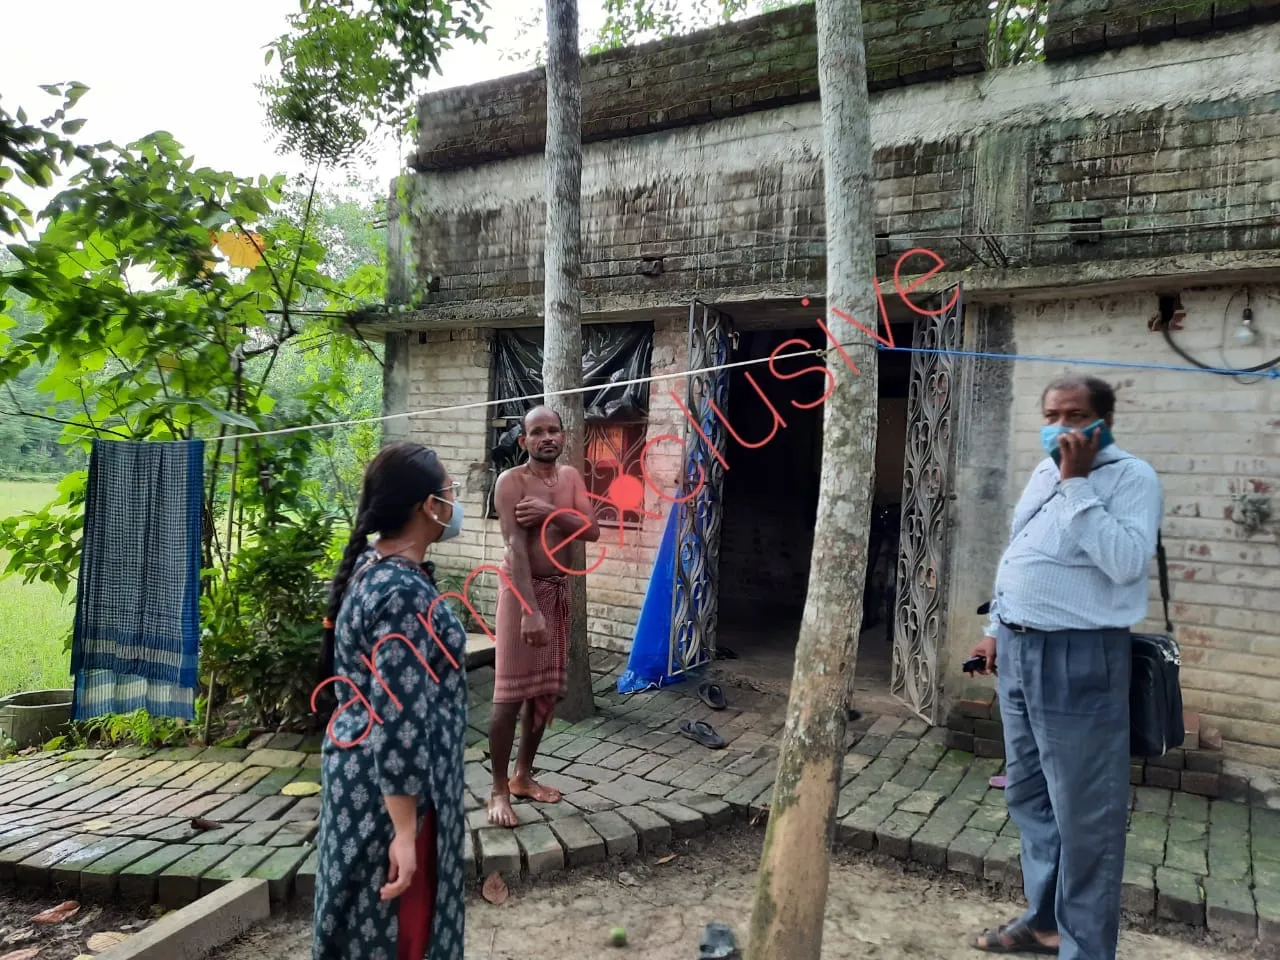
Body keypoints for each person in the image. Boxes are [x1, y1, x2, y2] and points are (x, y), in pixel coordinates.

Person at [968, 375, 1162, 960]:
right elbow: (1019, 552)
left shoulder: (1132, 477)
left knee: (1086, 815)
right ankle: (1047, 923)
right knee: (1029, 795)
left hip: (1080, 656)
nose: (1061, 427)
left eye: (1075, 416)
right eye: (1052, 415)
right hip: (1018, 650)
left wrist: (1077, 484)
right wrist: (995, 630)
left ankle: (1087, 948)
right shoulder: (1041, 471)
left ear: (1104, 421)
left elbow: (1126, 562)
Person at [313, 443, 469, 960]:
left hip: (362, 780)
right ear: (429, 506)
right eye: (450, 491)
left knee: (359, 926)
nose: (455, 502)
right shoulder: (402, 594)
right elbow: (398, 718)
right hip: (396, 800)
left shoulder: (371, 566)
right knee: (397, 935)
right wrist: (404, 832)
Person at [488, 405, 600, 828]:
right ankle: (498, 789)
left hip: (557, 591)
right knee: (508, 696)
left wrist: (550, 513)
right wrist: (529, 609)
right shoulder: (511, 482)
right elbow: (515, 548)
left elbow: (591, 529)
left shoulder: (570, 478)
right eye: (537, 432)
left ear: (563, 436)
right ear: (524, 441)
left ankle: (522, 777)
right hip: (522, 594)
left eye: (553, 430)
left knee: (545, 694)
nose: (547, 437)